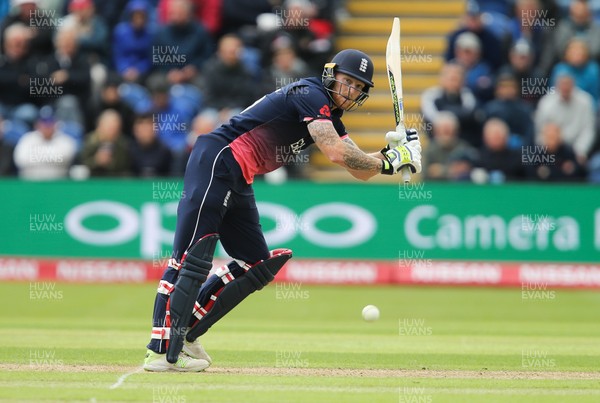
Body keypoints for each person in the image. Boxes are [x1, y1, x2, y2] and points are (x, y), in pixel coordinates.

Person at [142, 49, 423, 371]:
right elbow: (334, 152)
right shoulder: (309, 93)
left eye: (359, 88)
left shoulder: (329, 117)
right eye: (347, 82)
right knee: (192, 258)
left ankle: (187, 334)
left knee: (256, 264)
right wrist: (391, 162)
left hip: (239, 174)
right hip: (219, 159)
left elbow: (358, 167)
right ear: (331, 75)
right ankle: (161, 350)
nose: (351, 91)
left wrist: (397, 154)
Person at [13, 106, 78, 180]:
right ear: (37, 124)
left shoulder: (65, 140)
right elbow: (21, 160)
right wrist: (53, 157)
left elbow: (65, 158)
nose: (47, 126)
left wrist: (35, 157)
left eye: (50, 122)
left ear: (55, 123)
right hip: (30, 184)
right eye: (44, 122)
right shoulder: (27, 139)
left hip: (58, 184)